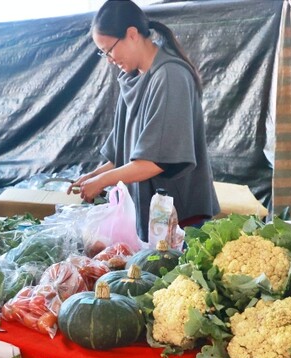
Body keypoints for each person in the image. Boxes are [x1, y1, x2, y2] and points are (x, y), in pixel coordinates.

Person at [70, 0, 219, 239]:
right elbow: (124, 155)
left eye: (109, 50)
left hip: (179, 220)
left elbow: (155, 161)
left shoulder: (170, 76)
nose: (108, 59)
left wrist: (103, 181)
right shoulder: (131, 79)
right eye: (103, 53)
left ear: (132, 34)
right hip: (150, 218)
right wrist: (94, 176)